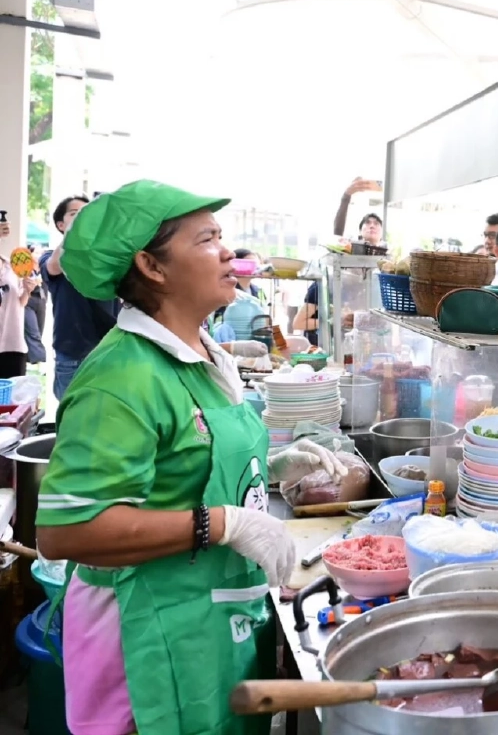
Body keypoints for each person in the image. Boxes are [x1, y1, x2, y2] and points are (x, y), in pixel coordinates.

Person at [34, 180, 348, 735]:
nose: (228, 251)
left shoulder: (203, 354)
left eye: (222, 236)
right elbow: (69, 532)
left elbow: (184, 468)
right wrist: (223, 522)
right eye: (207, 239)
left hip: (206, 616)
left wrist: (272, 471)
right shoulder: (121, 378)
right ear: (152, 268)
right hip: (145, 637)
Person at [40, 195, 122, 398]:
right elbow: (54, 266)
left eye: (88, 213)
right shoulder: (50, 256)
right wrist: (77, 230)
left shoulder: (106, 259)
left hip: (109, 351)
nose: (84, 217)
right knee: (72, 419)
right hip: (72, 355)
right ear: (61, 224)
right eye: (75, 214)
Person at [0, 216, 39, 378]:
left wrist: (27, 290)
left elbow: (20, 302)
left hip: (13, 343)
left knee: (13, 399)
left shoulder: (11, 265)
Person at [332, 178, 383, 243]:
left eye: (376, 223)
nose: (372, 226)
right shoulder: (350, 250)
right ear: (360, 232)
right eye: (367, 222)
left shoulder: (389, 252)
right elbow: (337, 236)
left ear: (382, 232)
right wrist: (346, 196)